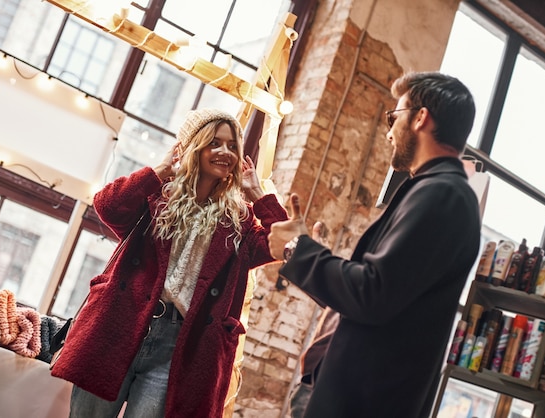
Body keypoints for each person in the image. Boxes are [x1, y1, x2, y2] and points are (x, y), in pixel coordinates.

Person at [50, 108, 288, 418]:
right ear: (193, 146)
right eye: (215, 142)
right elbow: (108, 205)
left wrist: (257, 193)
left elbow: (282, 244)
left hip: (180, 348)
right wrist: (159, 171)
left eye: (232, 146)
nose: (225, 152)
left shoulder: (239, 220)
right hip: (121, 326)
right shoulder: (156, 196)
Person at [269, 71, 481, 417]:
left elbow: (372, 293)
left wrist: (298, 249)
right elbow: (373, 295)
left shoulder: (443, 194)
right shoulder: (435, 190)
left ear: (420, 118)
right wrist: (310, 252)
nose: (388, 132)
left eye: (394, 117)